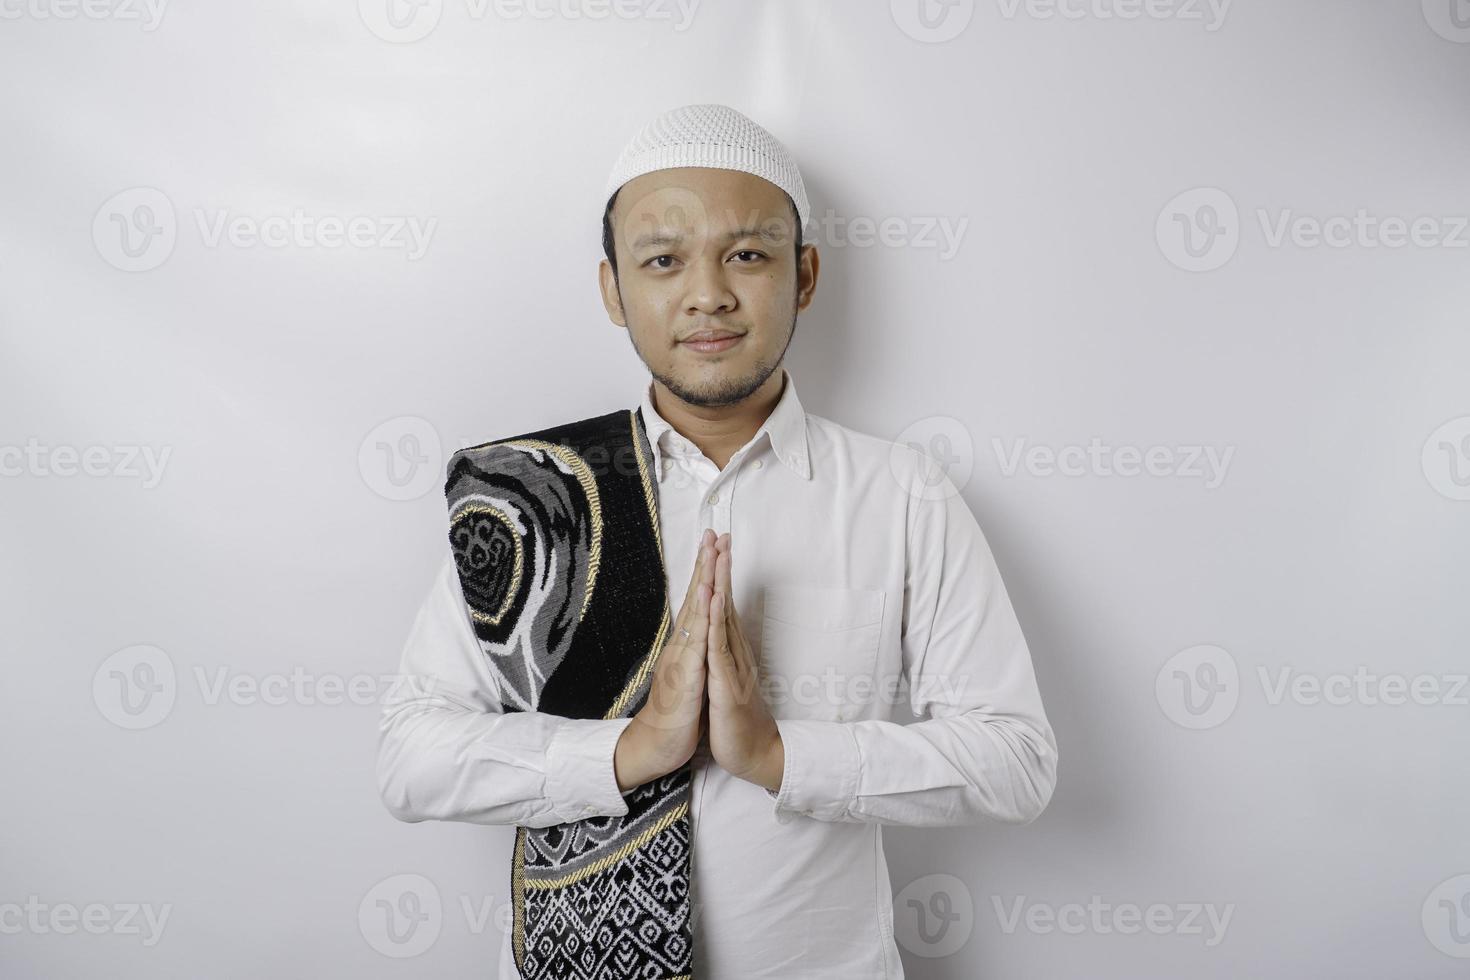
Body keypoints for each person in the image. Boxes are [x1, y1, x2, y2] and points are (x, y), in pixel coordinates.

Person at [377, 103, 1059, 979]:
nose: (708, 293)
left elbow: (1016, 759)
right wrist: (629, 750)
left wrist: (782, 757)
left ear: (804, 275)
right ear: (613, 289)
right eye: (663, 260)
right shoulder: (532, 498)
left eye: (748, 254)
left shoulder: (902, 495)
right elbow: (410, 758)